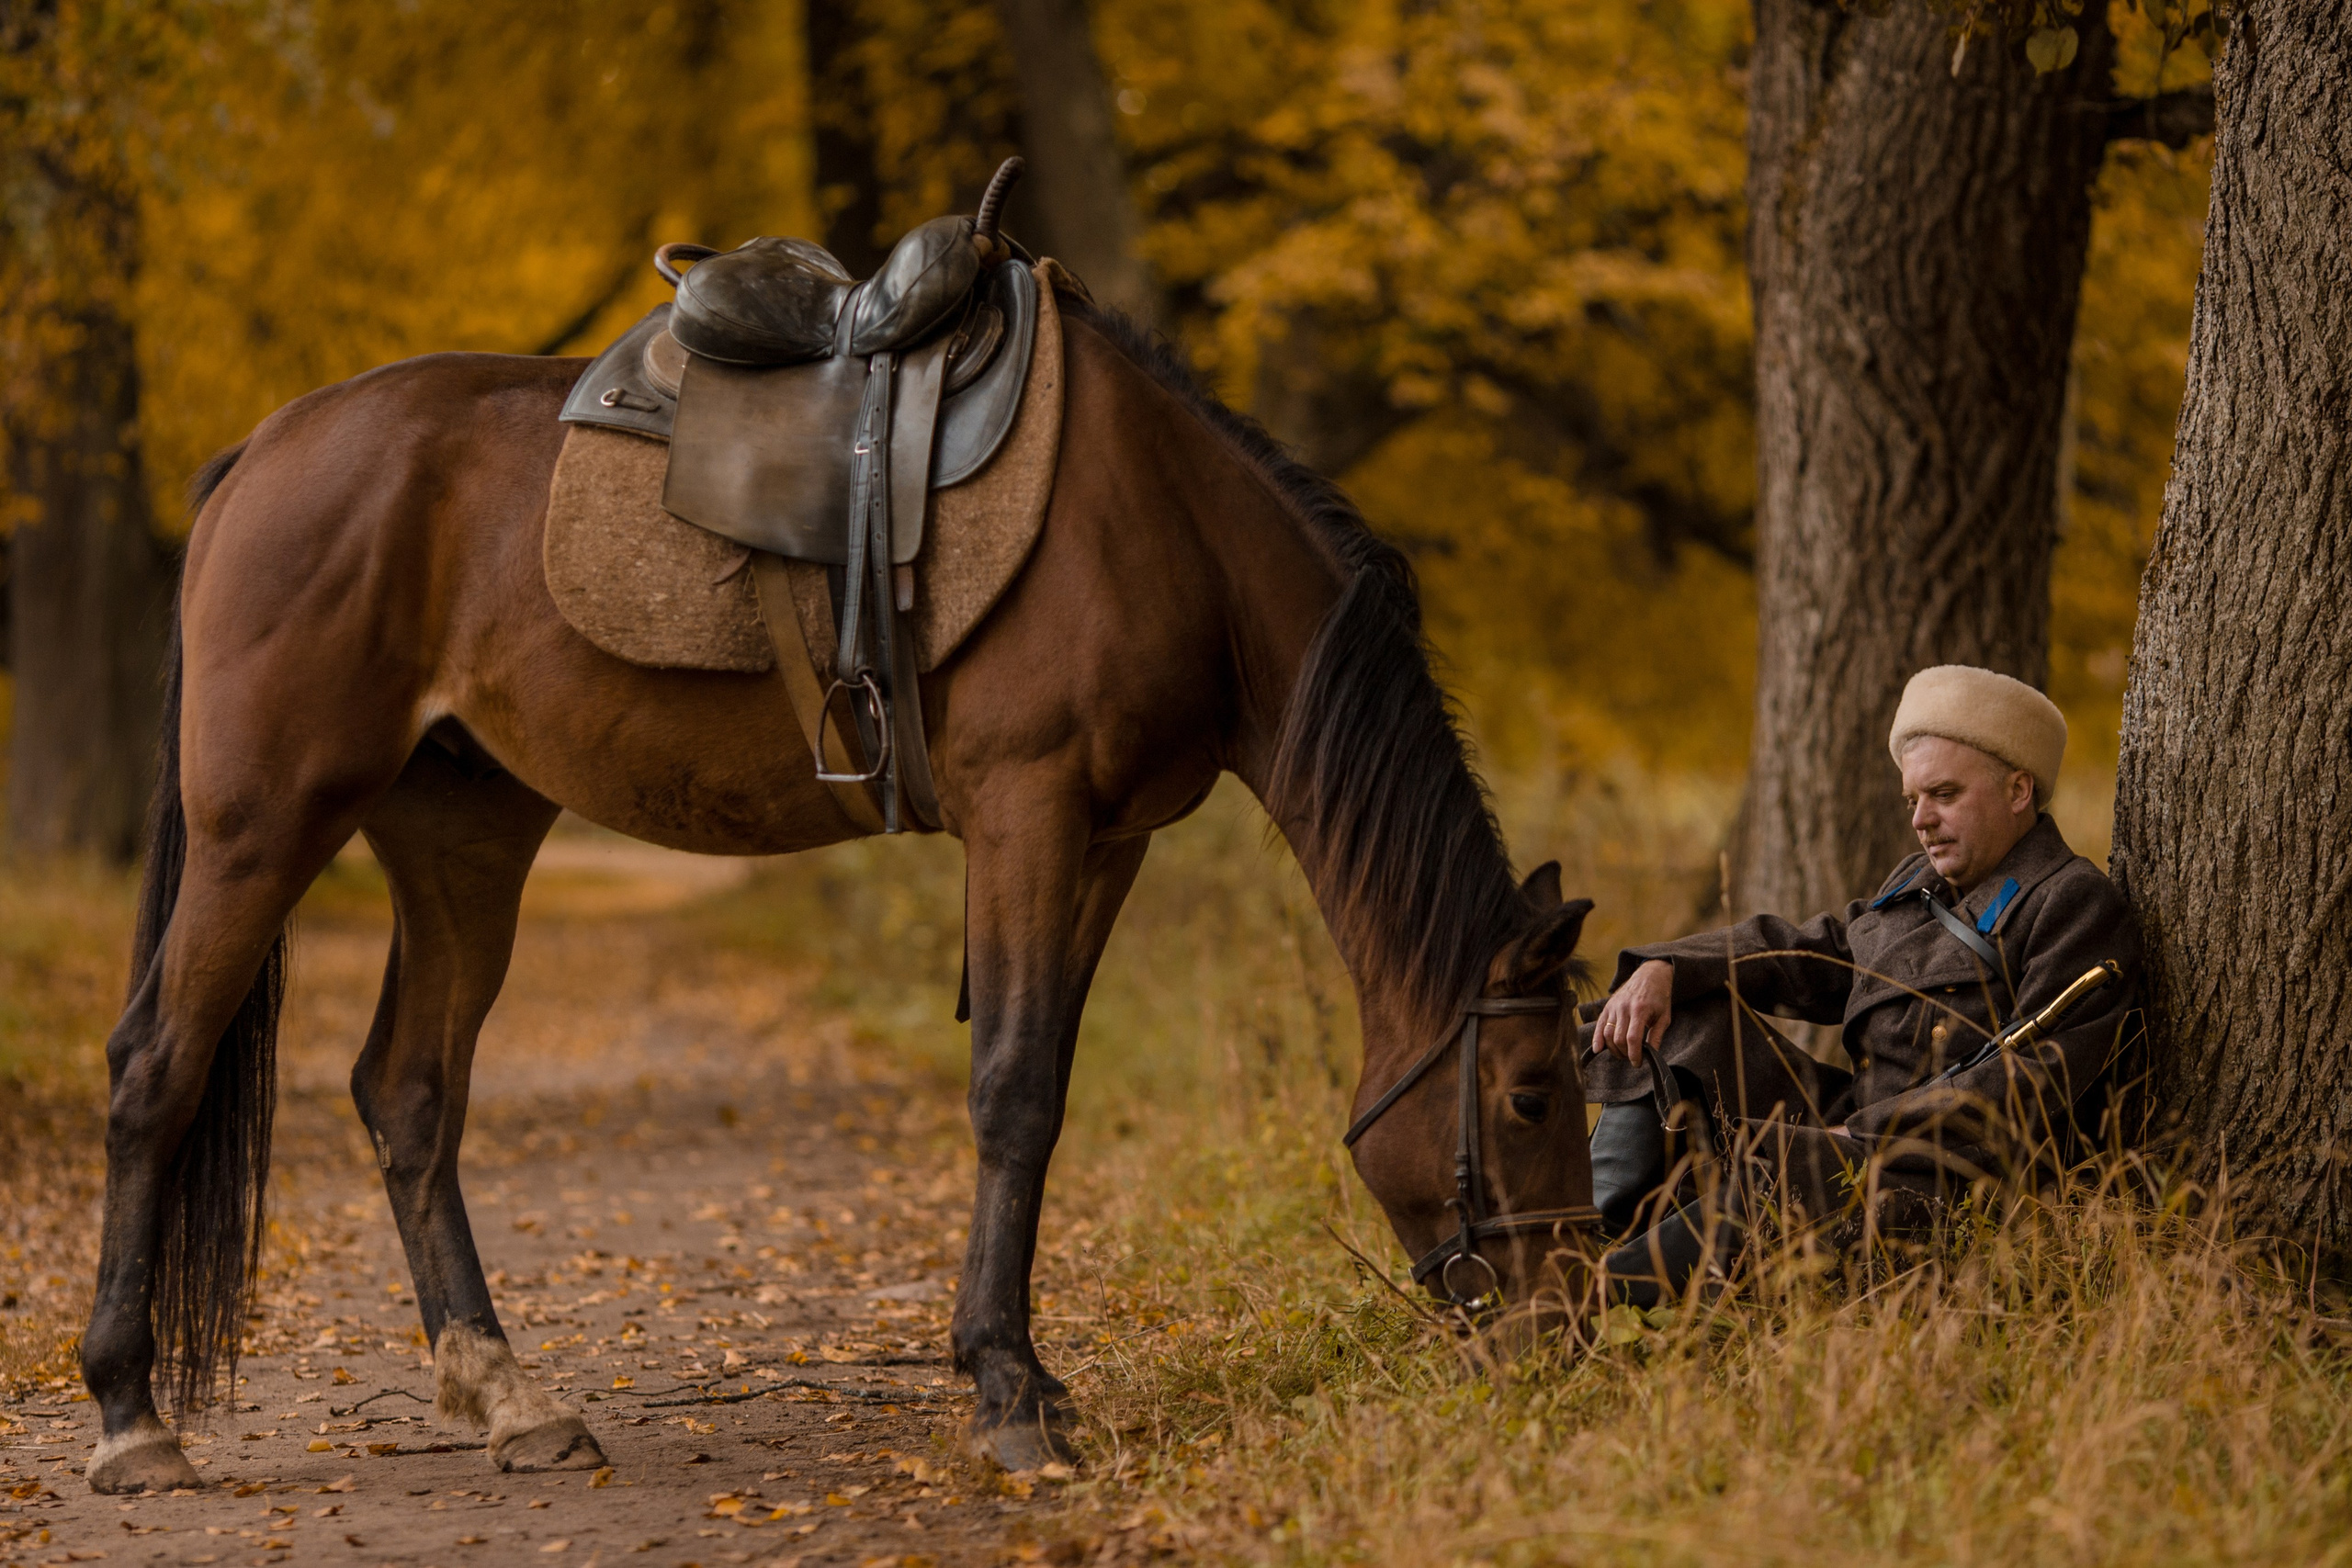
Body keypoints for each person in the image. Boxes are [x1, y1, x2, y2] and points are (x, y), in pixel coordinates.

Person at [1581, 666, 2142, 1303]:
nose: (1922, 820)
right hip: (1851, 1133)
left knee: (1788, 1175)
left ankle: (1590, 1303)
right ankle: (1589, 1237)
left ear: (2018, 789)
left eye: (1944, 794)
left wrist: (1873, 1132)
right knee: (1679, 1021)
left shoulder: (2071, 902)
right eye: (1913, 800)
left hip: (1943, 1180)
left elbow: (2029, 1082)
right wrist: (1668, 968)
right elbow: (1808, 951)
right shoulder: (1920, 881)